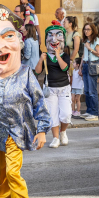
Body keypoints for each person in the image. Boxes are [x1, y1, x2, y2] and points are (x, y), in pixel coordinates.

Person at [0, 4, 50, 198]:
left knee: (13, 172)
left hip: (17, 131)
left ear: (19, 43)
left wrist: (42, 130)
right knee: (0, 172)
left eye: (8, 36)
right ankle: (3, 196)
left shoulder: (25, 74)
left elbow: (40, 103)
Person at [35, 20, 71, 148]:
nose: (54, 39)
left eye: (57, 35)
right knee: (52, 113)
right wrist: (40, 60)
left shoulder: (65, 55)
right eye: (50, 35)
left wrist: (57, 54)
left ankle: (63, 132)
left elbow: (64, 68)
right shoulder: (44, 55)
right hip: (50, 89)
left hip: (64, 88)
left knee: (66, 114)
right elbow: (38, 71)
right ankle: (55, 138)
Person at [79, 23, 99, 121]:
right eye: (85, 29)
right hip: (85, 64)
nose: (86, 31)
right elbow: (84, 55)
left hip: (92, 65)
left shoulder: (95, 40)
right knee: (87, 91)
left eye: (88, 29)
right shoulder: (86, 40)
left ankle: (94, 113)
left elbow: (98, 54)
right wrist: (80, 67)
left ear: (93, 30)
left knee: (92, 91)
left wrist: (89, 48)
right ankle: (89, 111)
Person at [64, 16, 81, 82]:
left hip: (72, 59)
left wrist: (70, 59)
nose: (63, 24)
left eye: (65, 22)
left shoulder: (75, 34)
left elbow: (76, 49)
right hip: (65, 58)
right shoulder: (64, 33)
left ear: (70, 24)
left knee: (72, 79)